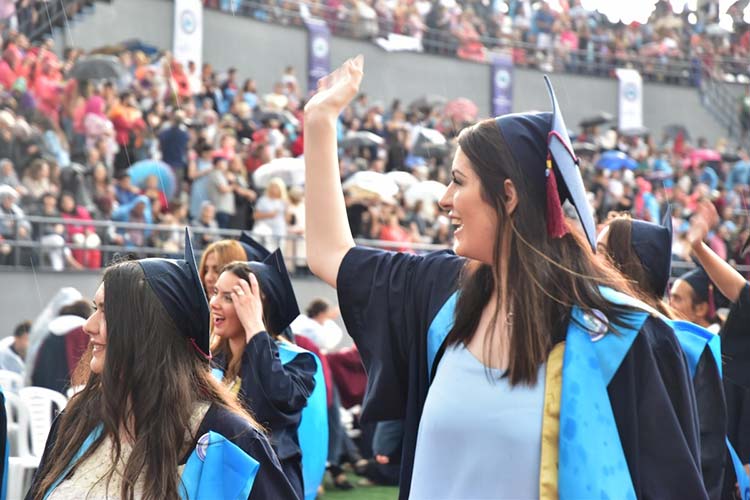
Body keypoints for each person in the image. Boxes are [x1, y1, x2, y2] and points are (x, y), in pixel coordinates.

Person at [303, 57, 706, 499]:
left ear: (508, 195)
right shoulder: (439, 291)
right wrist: (320, 121)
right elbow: (330, 254)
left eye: (458, 182)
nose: (444, 199)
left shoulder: (622, 339)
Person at [26, 229, 298, 500]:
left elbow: (279, 400)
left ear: (148, 332)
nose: (88, 326)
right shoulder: (77, 420)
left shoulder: (228, 439)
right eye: (95, 309)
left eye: (107, 312)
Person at [597, 209, 728, 500]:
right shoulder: (594, 338)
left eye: (603, 252)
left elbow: (704, 458)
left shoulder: (682, 347)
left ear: (628, 265)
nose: (592, 262)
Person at [208, 244, 320, 500]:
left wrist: (255, 330)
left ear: (256, 306)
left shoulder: (298, 361)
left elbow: (281, 399)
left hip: (268, 485)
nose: (214, 303)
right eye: (216, 293)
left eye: (229, 297)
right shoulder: (211, 361)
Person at [30, 300, 91, 395]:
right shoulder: (80, 328)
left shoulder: (51, 329)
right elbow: (81, 363)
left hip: (44, 380)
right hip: (66, 381)